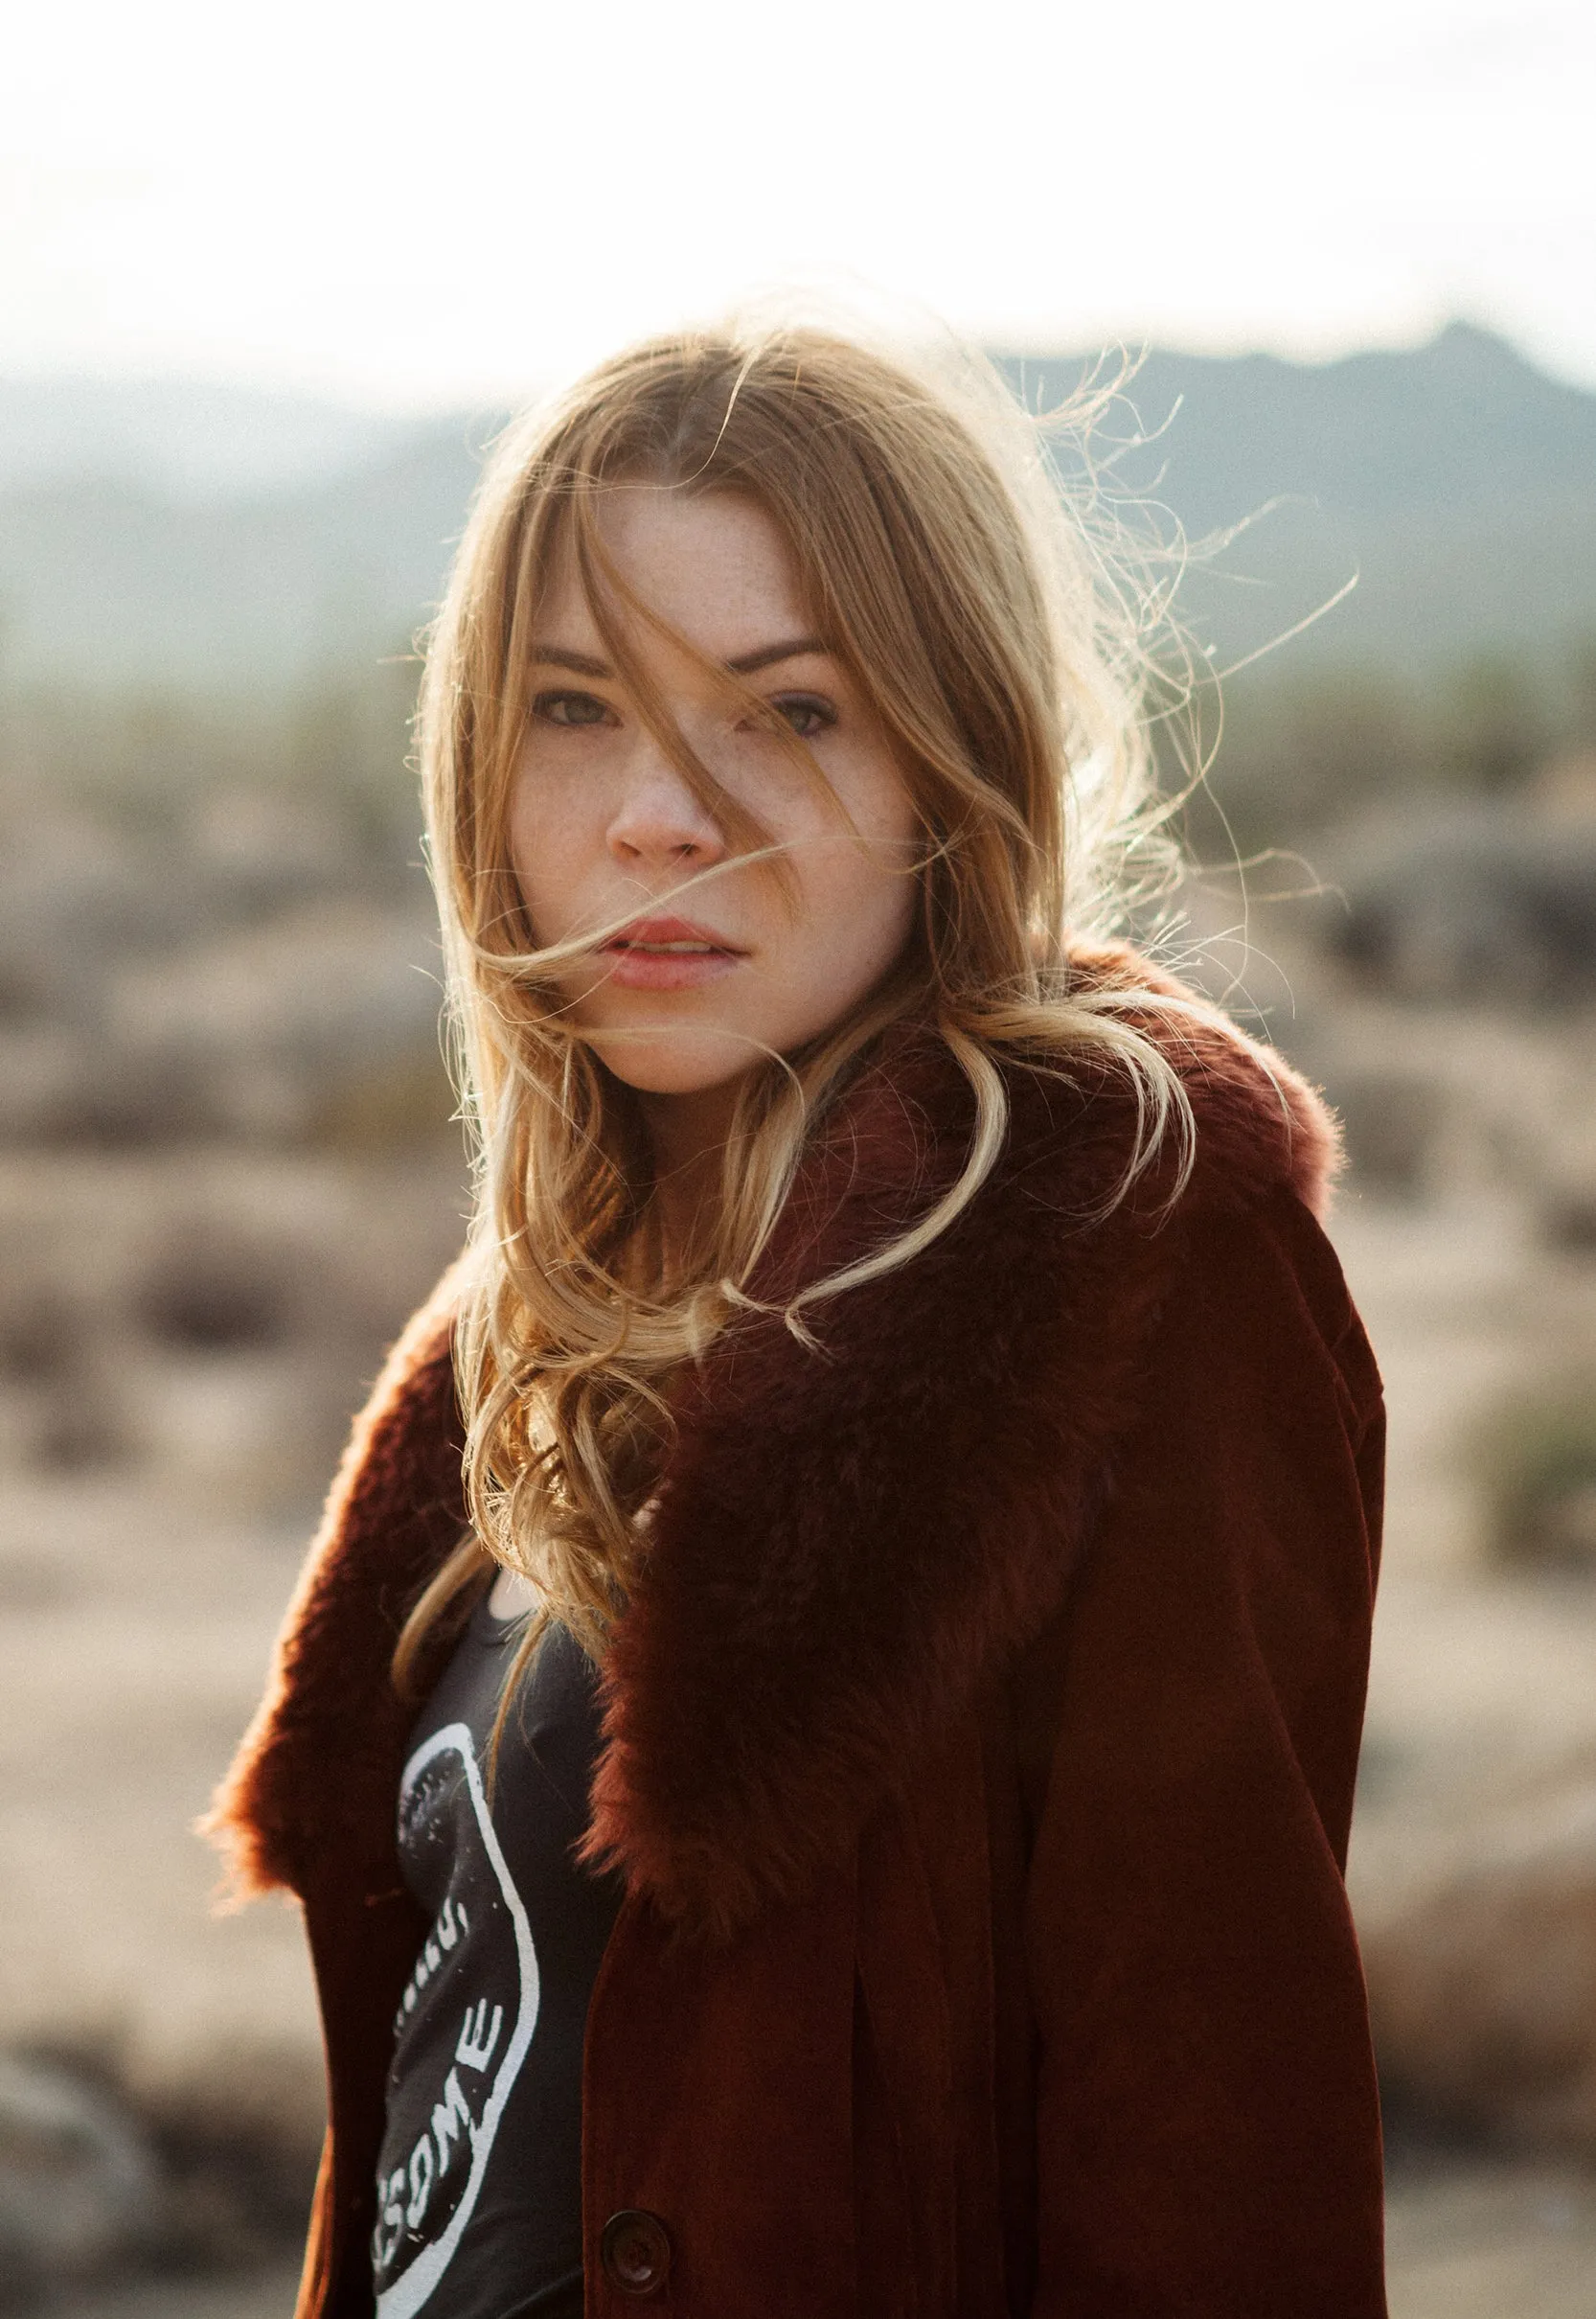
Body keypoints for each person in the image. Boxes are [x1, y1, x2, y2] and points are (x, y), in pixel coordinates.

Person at [209, 318, 1388, 2319]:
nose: (662, 814)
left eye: (792, 711)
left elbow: (1218, 2153)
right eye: (575, 706)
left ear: (949, 763)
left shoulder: (1113, 1241)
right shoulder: (512, 1343)